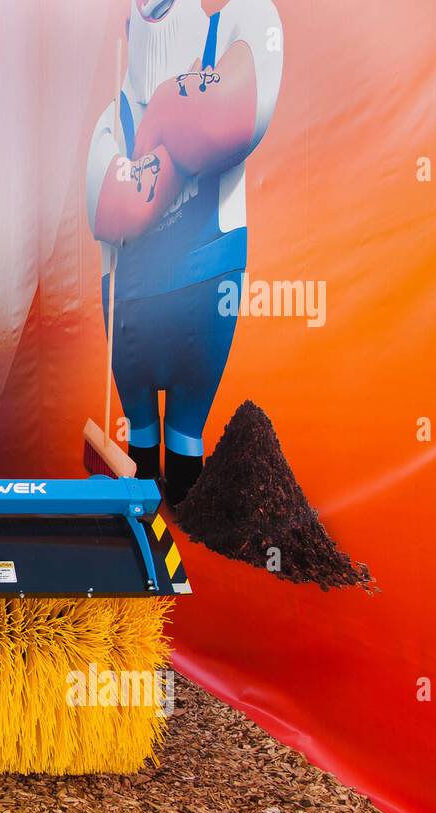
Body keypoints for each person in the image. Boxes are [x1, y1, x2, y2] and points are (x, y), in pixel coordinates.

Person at [86, 0, 283, 504]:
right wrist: (180, 124)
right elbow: (114, 208)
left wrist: (155, 140)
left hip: (207, 282)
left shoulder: (241, 21)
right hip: (131, 306)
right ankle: (145, 532)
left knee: (186, 450)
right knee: (143, 449)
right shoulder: (114, 117)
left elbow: (234, 116)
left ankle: (184, 518)